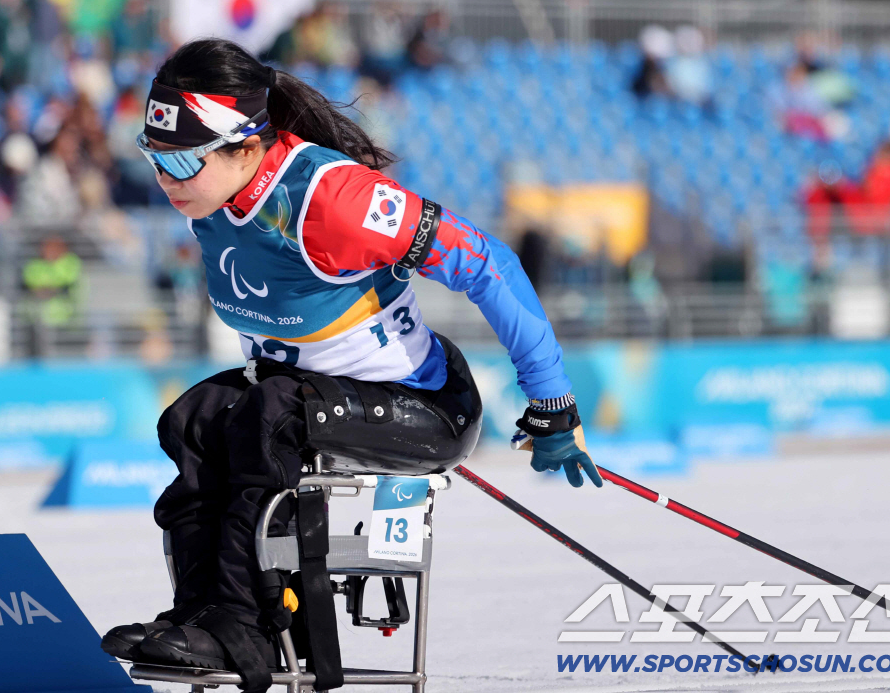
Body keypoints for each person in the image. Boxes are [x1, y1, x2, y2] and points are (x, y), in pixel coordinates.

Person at [100, 38, 598, 691]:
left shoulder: (332, 200)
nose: (166, 181)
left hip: (424, 405)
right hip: (310, 397)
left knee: (267, 415)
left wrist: (552, 401)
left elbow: (486, 262)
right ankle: (204, 617)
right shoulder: (213, 200)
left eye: (184, 161)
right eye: (155, 158)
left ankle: (242, 625)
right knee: (194, 419)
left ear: (247, 146)